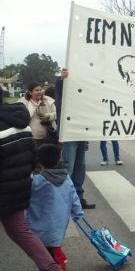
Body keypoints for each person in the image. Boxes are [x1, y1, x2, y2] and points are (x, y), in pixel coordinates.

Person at [0, 86, 65, 271]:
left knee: (18, 230)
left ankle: (50, 267)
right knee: (19, 230)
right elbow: (33, 157)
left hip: (5, 189)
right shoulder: (22, 121)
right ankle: (50, 267)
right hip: (20, 186)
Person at [26, 144, 84, 271]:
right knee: (53, 240)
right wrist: (77, 212)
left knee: (46, 243)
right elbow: (74, 196)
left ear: (39, 161)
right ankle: (55, 261)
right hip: (60, 218)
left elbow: (26, 195)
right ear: (59, 159)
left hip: (41, 217)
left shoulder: (37, 181)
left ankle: (58, 264)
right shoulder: (66, 177)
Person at [56, 69, 96, 209]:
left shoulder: (84, 95)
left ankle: (78, 198)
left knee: (80, 167)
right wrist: (62, 80)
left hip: (81, 133)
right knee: (69, 166)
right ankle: (63, 200)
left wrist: (87, 139)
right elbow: (59, 97)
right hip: (69, 133)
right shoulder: (64, 91)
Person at [19, 82, 57, 147]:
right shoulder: (24, 103)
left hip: (49, 135)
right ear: (30, 92)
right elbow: (21, 118)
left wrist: (49, 116)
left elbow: (56, 114)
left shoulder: (48, 101)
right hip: (32, 136)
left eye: (40, 90)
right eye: (36, 90)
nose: (39, 92)